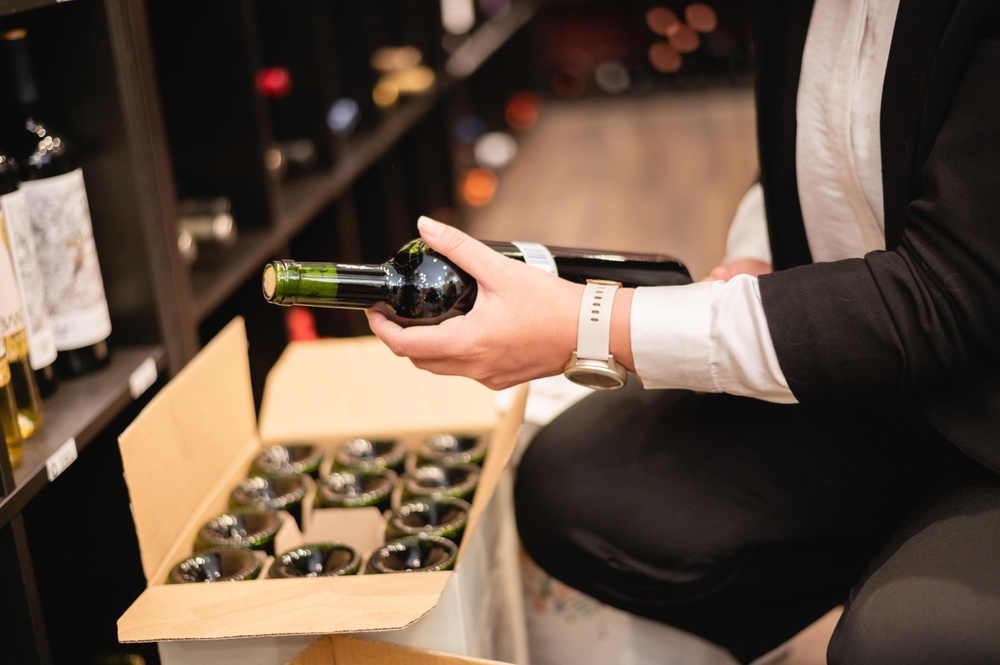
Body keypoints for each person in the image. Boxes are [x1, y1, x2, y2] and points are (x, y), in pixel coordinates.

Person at [366, 0, 1000, 662]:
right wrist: (761, 249)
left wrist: (588, 325)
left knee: (898, 643)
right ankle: (890, 557)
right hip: (867, 377)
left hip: (985, 423)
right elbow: (811, 138)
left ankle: (907, 578)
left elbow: (948, 293)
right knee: (575, 486)